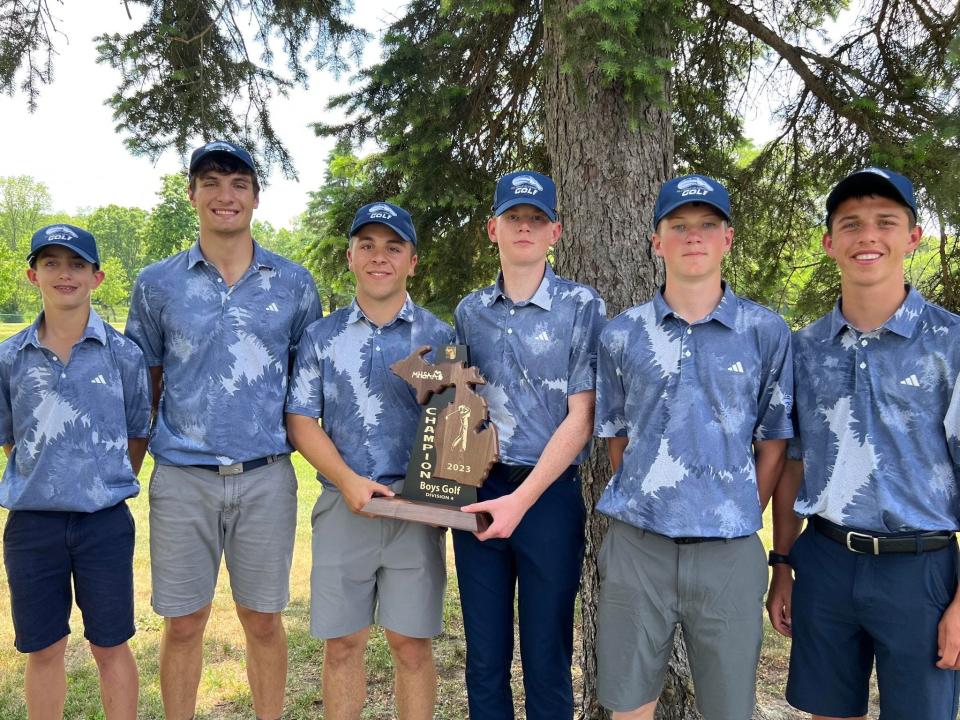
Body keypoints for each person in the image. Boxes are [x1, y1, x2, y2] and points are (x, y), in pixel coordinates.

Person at [125, 140, 320, 720]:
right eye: (210, 181)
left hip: (266, 476)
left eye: (238, 182)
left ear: (256, 196)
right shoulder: (158, 283)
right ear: (192, 194)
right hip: (183, 476)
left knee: (263, 620)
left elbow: (306, 385)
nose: (225, 194)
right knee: (184, 623)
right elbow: (146, 382)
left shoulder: (293, 283)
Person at [593, 174, 794, 720]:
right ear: (656, 242)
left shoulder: (766, 332)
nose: (693, 236)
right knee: (628, 705)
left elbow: (774, 440)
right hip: (639, 546)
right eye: (678, 226)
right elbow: (617, 437)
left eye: (707, 225)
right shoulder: (621, 334)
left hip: (728, 551)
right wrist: (648, 494)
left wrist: (736, 510)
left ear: (728, 239)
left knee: (729, 709)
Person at [766, 167, 960, 719]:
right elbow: (792, 466)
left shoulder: (952, 343)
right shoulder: (804, 350)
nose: (867, 236)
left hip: (919, 570)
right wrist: (783, 564)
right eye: (850, 224)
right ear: (829, 243)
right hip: (826, 563)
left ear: (913, 236)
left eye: (885, 222)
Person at [285, 201, 453, 720]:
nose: (380, 257)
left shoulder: (440, 337)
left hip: (416, 513)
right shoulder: (322, 336)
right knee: (342, 646)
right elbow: (300, 420)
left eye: (393, 247)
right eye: (368, 246)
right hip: (344, 507)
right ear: (351, 256)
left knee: (411, 646)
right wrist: (349, 481)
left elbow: (457, 427)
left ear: (412, 261)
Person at [452, 170, 606, 720]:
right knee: (485, 658)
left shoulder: (582, 306)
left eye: (536, 219)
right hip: (481, 490)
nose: (524, 227)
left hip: (547, 496)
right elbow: (461, 405)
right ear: (493, 228)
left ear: (554, 232)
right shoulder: (470, 311)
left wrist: (523, 499)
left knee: (547, 655)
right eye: (513, 217)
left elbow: (582, 415)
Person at [0, 224, 151, 719]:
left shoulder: (124, 354)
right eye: (51, 263)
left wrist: (102, 483)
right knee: (43, 647)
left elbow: (136, 431)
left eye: (77, 264)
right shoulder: (9, 357)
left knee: (110, 645)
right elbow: (9, 435)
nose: (64, 274)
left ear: (97, 276)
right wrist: (46, 478)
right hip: (33, 525)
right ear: (32, 274)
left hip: (102, 524)